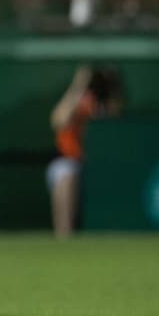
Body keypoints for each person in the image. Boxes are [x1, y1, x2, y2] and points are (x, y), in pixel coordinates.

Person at [48, 66, 124, 238]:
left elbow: (117, 118)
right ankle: (64, 237)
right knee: (65, 173)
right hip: (70, 160)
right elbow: (58, 121)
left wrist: (112, 82)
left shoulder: (105, 103)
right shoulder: (79, 99)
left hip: (100, 163)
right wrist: (79, 84)